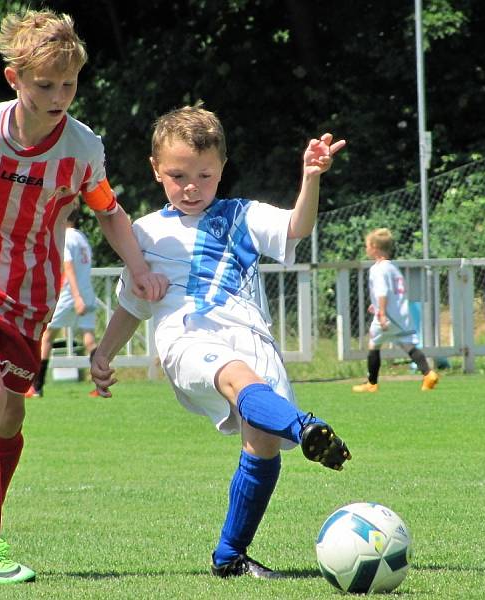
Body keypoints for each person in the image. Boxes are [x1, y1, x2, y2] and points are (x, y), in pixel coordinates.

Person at [0, 9, 167, 585]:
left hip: (31, 292)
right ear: (14, 79)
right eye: (45, 84)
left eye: (68, 84)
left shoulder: (81, 147)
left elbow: (107, 211)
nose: (58, 96)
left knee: (13, 410)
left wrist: (140, 268)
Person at [91, 105, 351, 579]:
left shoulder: (242, 216)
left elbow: (297, 227)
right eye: (178, 175)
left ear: (222, 169)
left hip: (252, 339)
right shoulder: (144, 233)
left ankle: (230, 554)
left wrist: (311, 177)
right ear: (156, 170)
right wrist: (103, 353)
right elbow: (132, 303)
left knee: (262, 444)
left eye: (204, 176)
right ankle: (307, 428)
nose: (192, 187)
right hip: (187, 337)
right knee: (238, 379)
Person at [351, 228, 440, 393]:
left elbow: (382, 292)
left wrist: (382, 312)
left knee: (373, 344)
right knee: (407, 345)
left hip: (387, 316)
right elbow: (394, 291)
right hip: (400, 315)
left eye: (367, 246)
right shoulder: (392, 267)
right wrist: (376, 305)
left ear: (375, 247)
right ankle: (429, 374)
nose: (366, 249)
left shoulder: (377, 269)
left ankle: (371, 383)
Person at [27, 207, 102, 398]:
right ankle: (102, 386)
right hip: (87, 292)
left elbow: (68, 266)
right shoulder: (82, 238)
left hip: (71, 293)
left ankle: (37, 386)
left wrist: (75, 297)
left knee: (47, 336)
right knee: (89, 338)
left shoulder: (66, 237)